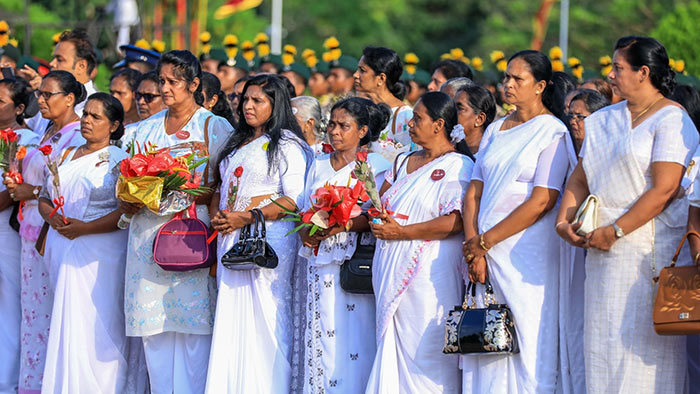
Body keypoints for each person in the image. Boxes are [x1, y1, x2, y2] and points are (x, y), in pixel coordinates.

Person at [556, 36, 698, 393]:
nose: (611, 74)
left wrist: (616, 230)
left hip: (648, 248)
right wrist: (564, 219)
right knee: (602, 345)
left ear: (643, 72)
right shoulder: (603, 119)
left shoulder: (670, 119)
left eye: (618, 67)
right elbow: (581, 175)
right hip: (601, 248)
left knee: (645, 352)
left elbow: (665, 189)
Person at [461, 50, 576, 393]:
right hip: (484, 250)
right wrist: (474, 248)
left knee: (526, 336)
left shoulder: (553, 131)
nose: (508, 84)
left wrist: (486, 241)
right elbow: (474, 192)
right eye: (506, 77)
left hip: (526, 254)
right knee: (485, 339)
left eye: (518, 79)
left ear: (540, 86)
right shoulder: (496, 129)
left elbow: (543, 200)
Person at [120, 50, 233, 394]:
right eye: (162, 81)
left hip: (191, 234)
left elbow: (224, 186)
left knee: (194, 334)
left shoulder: (214, 127)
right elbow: (124, 183)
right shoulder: (143, 129)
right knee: (154, 334)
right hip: (147, 235)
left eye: (174, 82)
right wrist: (139, 190)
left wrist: (188, 190)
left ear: (194, 84)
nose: (166, 89)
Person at [205, 74, 311, 393]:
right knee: (232, 321)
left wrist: (248, 217)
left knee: (264, 321)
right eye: (245, 99)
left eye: (257, 101)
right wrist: (221, 218)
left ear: (275, 105)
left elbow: (294, 200)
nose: (247, 106)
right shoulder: (238, 142)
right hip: (232, 237)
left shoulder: (288, 145)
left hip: (268, 242)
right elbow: (221, 188)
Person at [365, 91, 473, 393]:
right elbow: (376, 202)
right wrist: (379, 221)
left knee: (426, 350)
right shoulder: (402, 161)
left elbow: (455, 221)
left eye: (417, 119)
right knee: (393, 349)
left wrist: (402, 232)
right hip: (390, 262)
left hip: (429, 273)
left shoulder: (458, 165)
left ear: (439, 124)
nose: (410, 125)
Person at [38, 93, 144, 393]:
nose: (86, 121)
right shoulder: (64, 154)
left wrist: (86, 229)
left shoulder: (121, 161)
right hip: (64, 243)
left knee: (99, 322)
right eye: (86, 114)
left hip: (102, 251)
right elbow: (44, 197)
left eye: (96, 117)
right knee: (66, 319)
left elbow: (126, 212)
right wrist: (52, 217)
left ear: (113, 125)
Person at [297, 97, 391, 394]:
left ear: (362, 130)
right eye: (332, 125)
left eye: (344, 126)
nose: (335, 132)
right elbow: (302, 208)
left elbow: (376, 213)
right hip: (319, 261)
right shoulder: (318, 163)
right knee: (322, 330)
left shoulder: (374, 166)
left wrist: (342, 223)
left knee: (354, 338)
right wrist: (306, 230)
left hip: (353, 262)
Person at [5, 70, 86, 394]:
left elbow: (71, 187)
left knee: (52, 311)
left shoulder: (79, 135)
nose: (41, 100)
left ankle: (52, 383)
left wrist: (32, 190)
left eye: (48, 95)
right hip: (29, 230)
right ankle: (31, 383)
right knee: (33, 312)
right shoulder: (46, 130)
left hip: (53, 231)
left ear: (69, 98)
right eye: (40, 95)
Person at [0, 77, 39, 394]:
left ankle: (8, 378)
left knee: (11, 304)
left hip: (8, 231)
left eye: (1, 101)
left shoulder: (26, 140)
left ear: (20, 107)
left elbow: (15, 192)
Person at [354, 46, 413, 159]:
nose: (355, 75)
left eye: (362, 70)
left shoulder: (405, 117)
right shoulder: (363, 109)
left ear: (381, 78)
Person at [454, 84, 497, 155]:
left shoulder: (487, 157)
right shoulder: (448, 150)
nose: (451, 112)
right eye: (452, 107)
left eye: (459, 108)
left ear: (479, 119)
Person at [567, 89, 610, 153]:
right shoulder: (566, 147)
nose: (572, 122)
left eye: (579, 117)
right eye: (571, 116)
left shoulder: (606, 152)